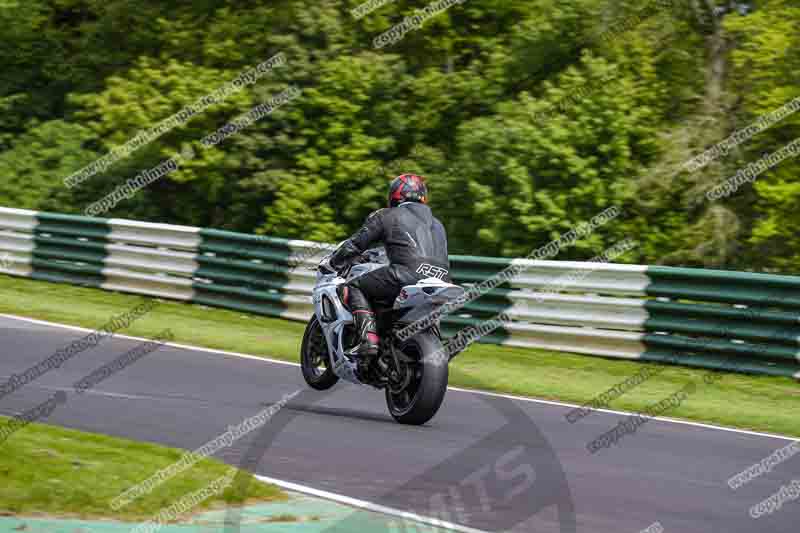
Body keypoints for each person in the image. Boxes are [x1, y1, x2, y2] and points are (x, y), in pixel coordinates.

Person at [327, 174, 450, 360]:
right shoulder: (438, 223)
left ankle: (368, 339)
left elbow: (356, 244)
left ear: (395, 195)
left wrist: (333, 262)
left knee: (354, 286)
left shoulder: (387, 215)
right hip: (443, 279)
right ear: (423, 195)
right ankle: (433, 342)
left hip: (406, 274)